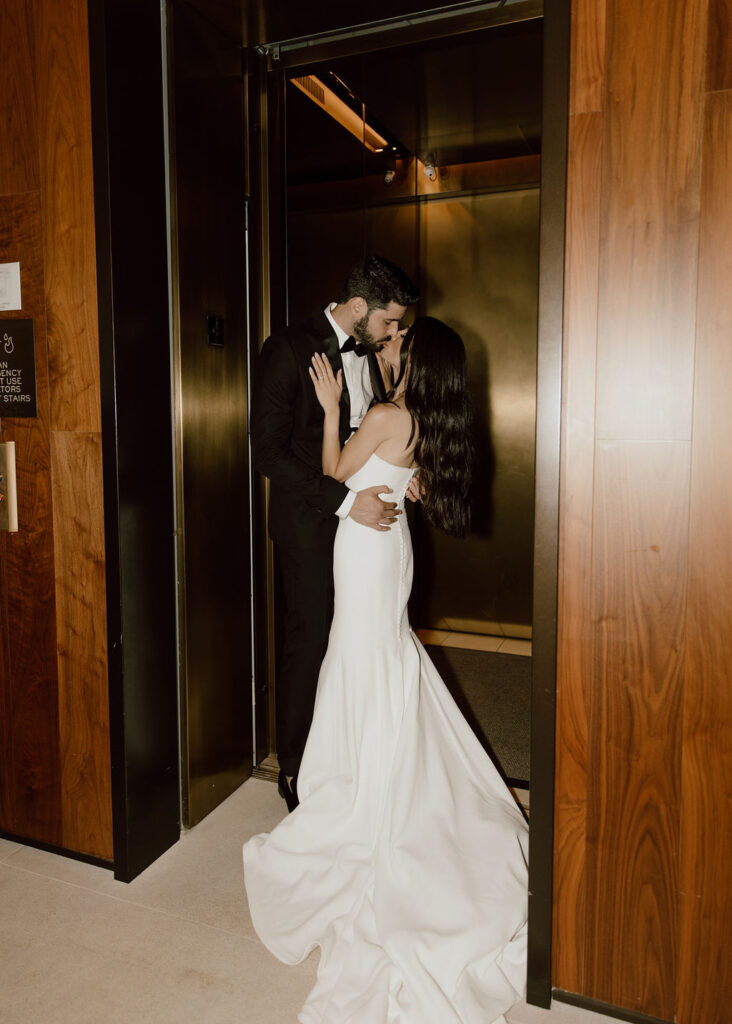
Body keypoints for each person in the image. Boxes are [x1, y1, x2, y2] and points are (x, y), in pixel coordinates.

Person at [244, 316, 529, 1024]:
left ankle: (364, 789)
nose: (390, 342)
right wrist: (391, 484)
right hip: (389, 548)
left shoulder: (384, 412)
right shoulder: (424, 418)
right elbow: (417, 489)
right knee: (380, 656)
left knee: (359, 655)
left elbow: (335, 473)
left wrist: (336, 411)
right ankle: (380, 765)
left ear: (413, 355)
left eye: (401, 338)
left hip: (367, 554)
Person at [251, 256, 419, 811]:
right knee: (310, 640)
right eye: (389, 322)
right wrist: (346, 503)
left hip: (365, 529)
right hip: (309, 522)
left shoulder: (374, 356)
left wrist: (404, 476)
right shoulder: (287, 349)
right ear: (356, 308)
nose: (394, 333)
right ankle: (296, 768)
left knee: (358, 636)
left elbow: (378, 431)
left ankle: (354, 753)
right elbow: (268, 452)